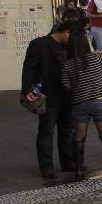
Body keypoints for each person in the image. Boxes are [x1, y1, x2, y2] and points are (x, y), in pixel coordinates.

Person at [21, 17, 80, 179]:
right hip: (48, 95)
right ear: (66, 32)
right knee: (46, 130)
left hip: (68, 95)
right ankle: (46, 166)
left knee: (67, 130)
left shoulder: (71, 47)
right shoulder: (39, 44)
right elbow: (29, 68)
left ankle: (67, 161)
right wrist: (27, 88)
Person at [59, 30, 102, 179]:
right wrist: (99, 52)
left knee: (79, 137)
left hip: (79, 103)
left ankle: (79, 170)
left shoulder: (67, 65)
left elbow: (66, 86)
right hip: (98, 100)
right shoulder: (96, 58)